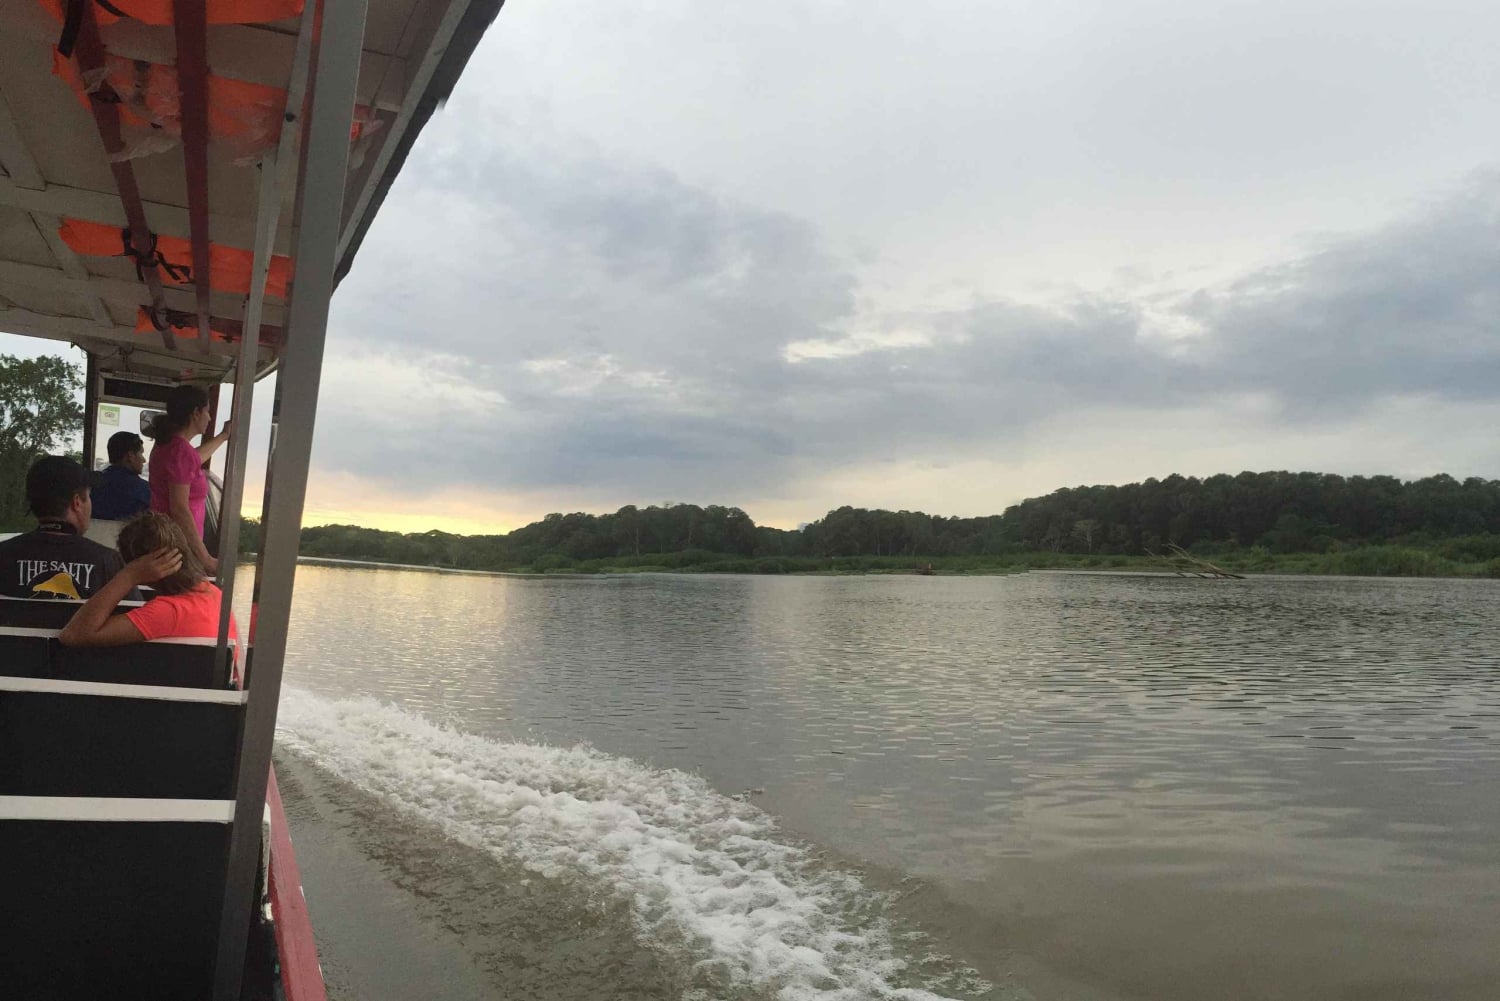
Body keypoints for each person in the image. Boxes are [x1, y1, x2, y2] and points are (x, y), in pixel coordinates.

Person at [60, 512, 235, 647]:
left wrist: (128, 576)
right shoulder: (215, 594)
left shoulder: (168, 612)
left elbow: (73, 635)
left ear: (140, 565)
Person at [0, 455, 136, 600]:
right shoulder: (108, 562)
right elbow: (138, 612)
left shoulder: (4, 555)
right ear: (77, 502)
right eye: (89, 496)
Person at [148, 384, 230, 575]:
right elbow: (179, 509)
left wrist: (224, 436)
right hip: (178, 551)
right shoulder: (181, 452)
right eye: (207, 411)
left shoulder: (168, 446)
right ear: (195, 413)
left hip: (164, 543)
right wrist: (206, 559)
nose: (209, 418)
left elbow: (193, 460)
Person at [91, 430, 151, 520]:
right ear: (130, 455)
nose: (144, 460)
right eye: (141, 453)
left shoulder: (93, 484)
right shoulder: (143, 490)